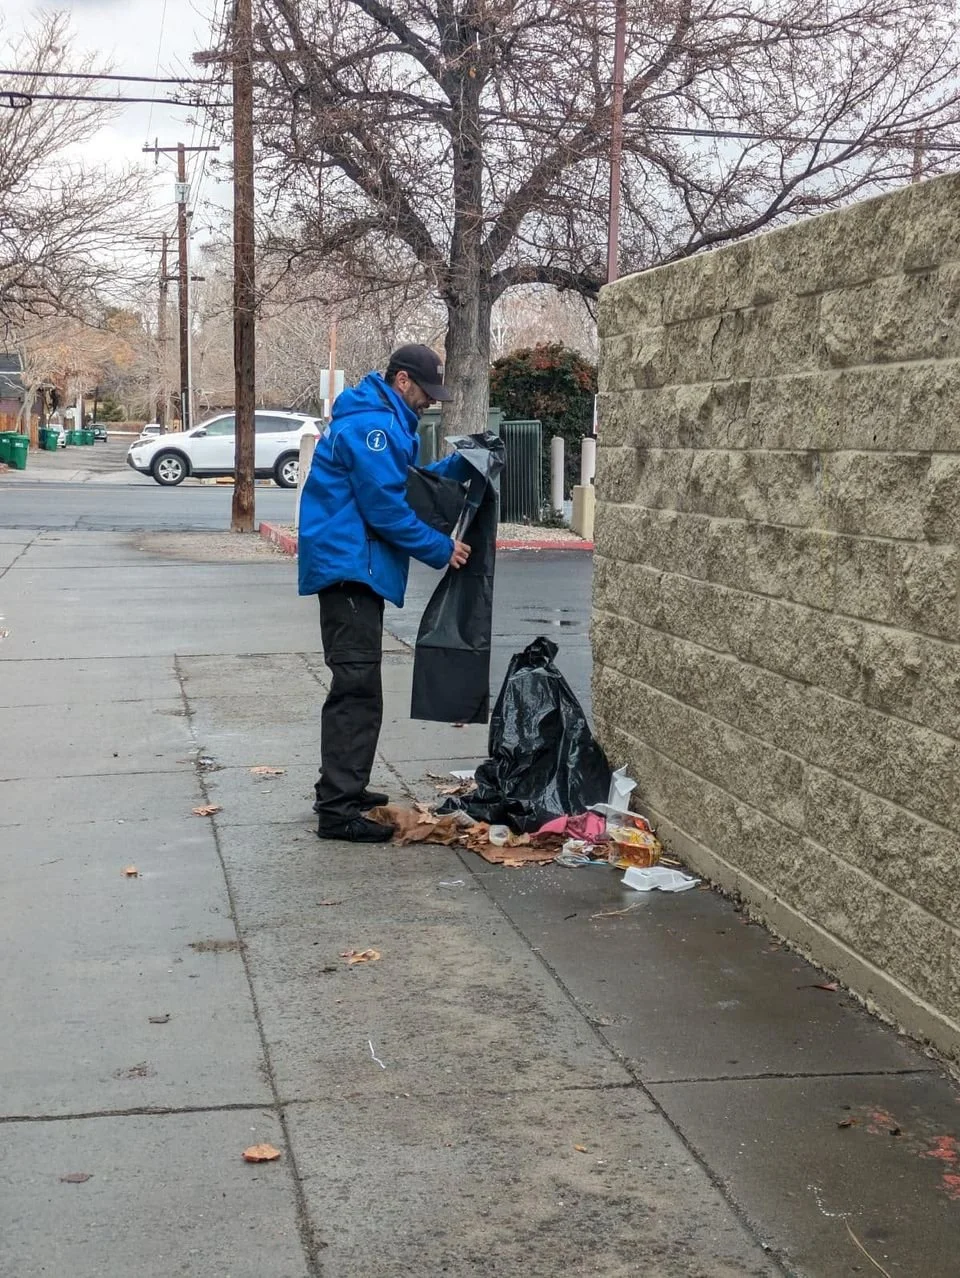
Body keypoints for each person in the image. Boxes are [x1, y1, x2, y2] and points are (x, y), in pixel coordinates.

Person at [298, 344, 472, 843]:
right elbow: (386, 510)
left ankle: (342, 791)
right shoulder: (374, 428)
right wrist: (442, 548)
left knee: (358, 687)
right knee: (356, 691)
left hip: (353, 566)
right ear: (402, 380)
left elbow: (403, 486)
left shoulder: (382, 422)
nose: (429, 401)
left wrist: (458, 466)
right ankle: (338, 811)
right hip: (349, 570)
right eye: (425, 390)